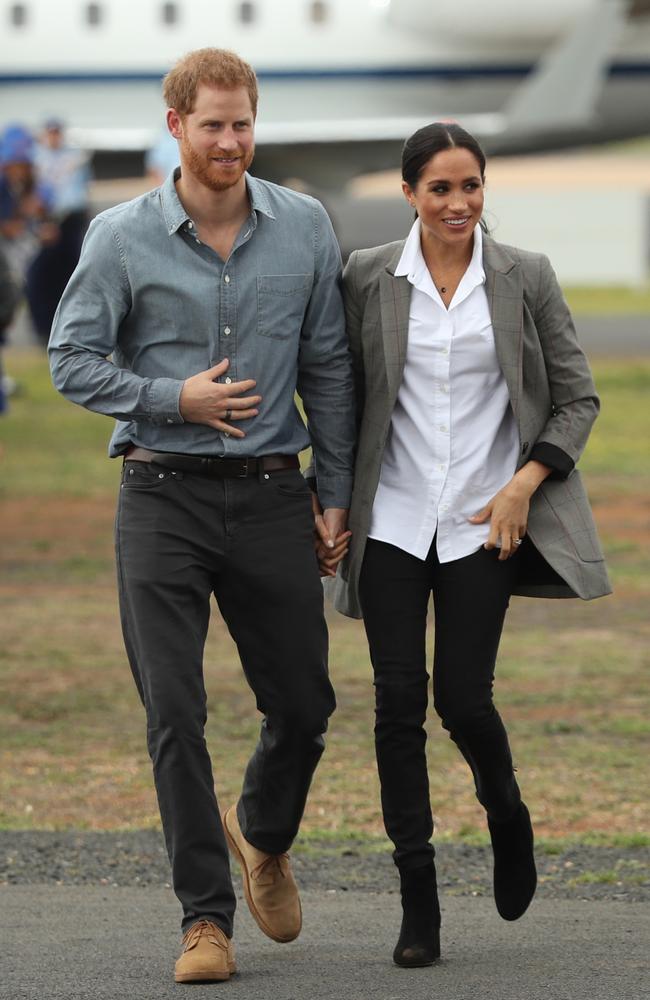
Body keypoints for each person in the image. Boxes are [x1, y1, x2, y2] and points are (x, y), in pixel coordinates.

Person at [48, 47, 355, 984]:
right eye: (213, 124)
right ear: (175, 126)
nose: (230, 141)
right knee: (174, 712)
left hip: (271, 494)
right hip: (161, 496)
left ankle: (261, 829)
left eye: (243, 124)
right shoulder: (119, 235)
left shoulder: (304, 226)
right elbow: (70, 359)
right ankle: (204, 922)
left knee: (304, 707)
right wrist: (168, 399)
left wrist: (333, 493)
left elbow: (331, 368)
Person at [320, 122, 611, 969]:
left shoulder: (526, 276)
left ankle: (507, 814)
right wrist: (328, 499)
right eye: (441, 188)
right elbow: (339, 395)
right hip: (394, 520)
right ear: (409, 192)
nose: (458, 203)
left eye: (471, 186)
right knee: (395, 709)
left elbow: (577, 400)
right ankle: (420, 901)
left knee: (464, 702)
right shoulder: (367, 276)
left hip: (487, 525)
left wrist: (523, 484)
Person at [30, 118, 91, 343]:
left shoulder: (73, 156)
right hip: (46, 219)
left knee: (72, 272)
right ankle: (44, 327)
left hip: (70, 218)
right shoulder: (36, 157)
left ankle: (72, 325)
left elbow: (82, 187)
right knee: (43, 273)